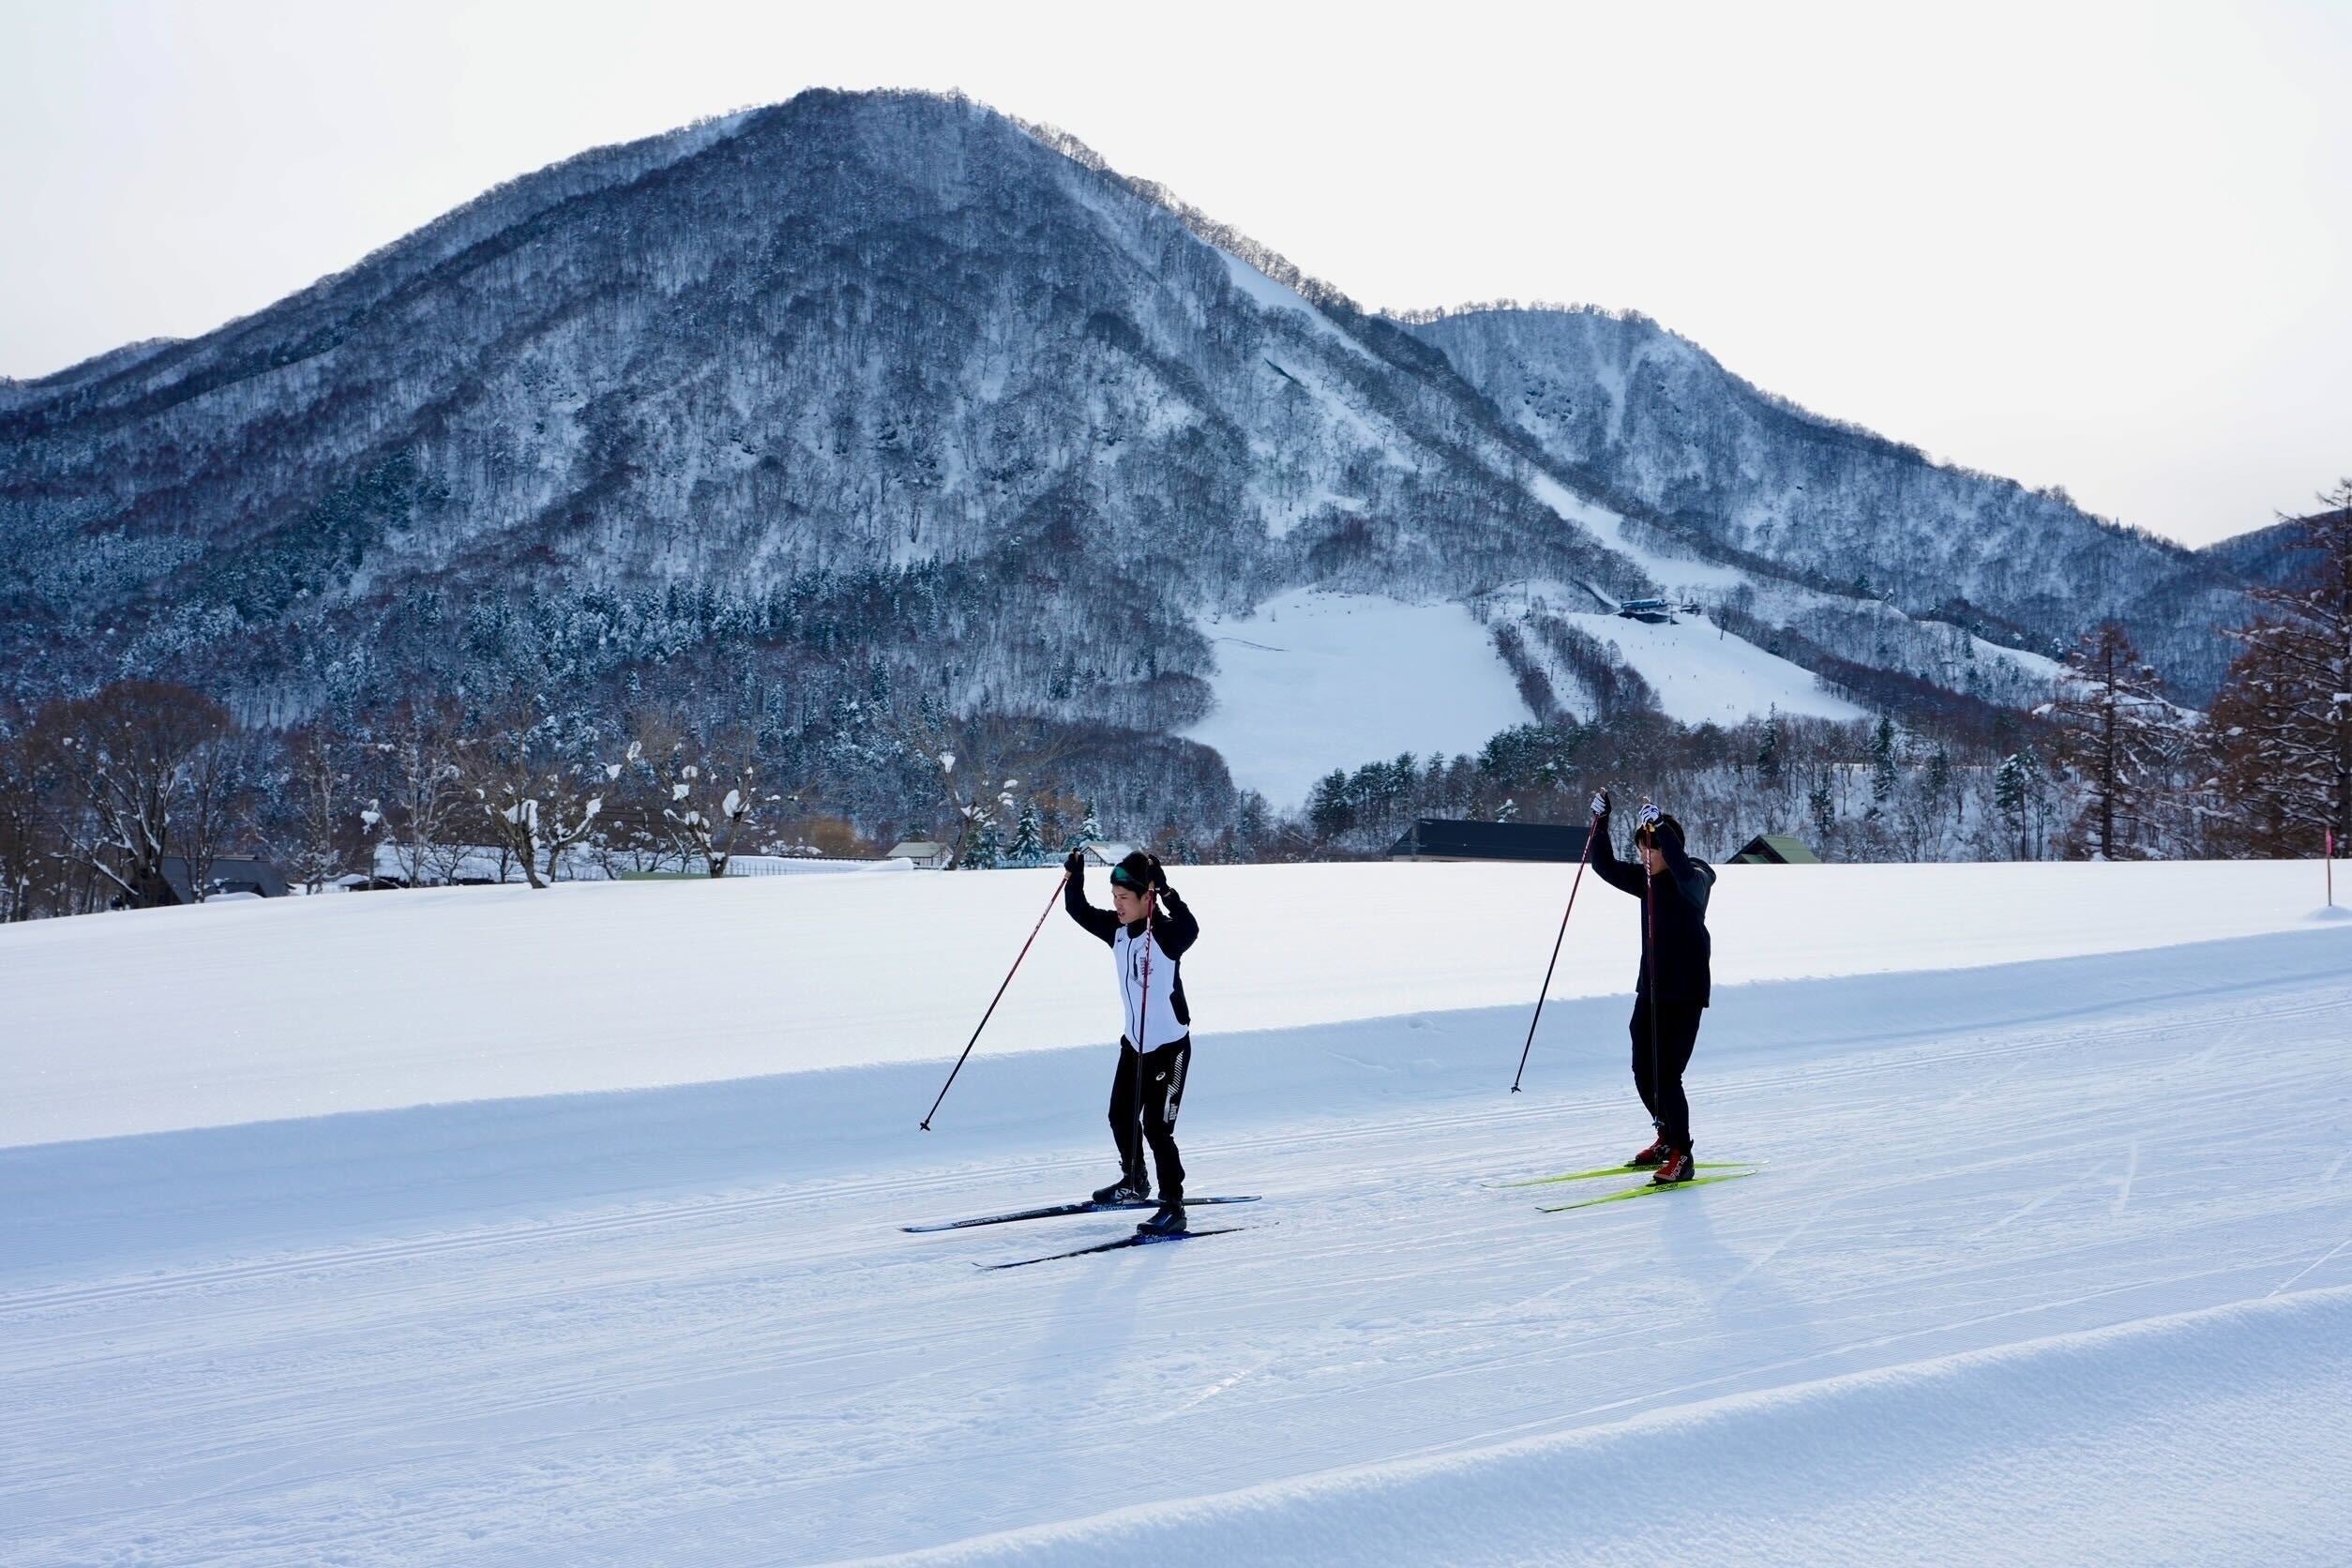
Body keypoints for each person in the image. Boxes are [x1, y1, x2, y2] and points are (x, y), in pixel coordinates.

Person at [1063, 846, 1200, 1234]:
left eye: (1124, 897)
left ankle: (1173, 1207)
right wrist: (1075, 876)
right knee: (1120, 1117)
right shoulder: (1118, 931)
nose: (1117, 904)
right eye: (1114, 897)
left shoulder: (1167, 935)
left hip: (1169, 1049)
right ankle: (1135, 1181)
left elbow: (1190, 927)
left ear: (1146, 898)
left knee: (1157, 1128)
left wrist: (1167, 891)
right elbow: (1077, 909)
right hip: (1134, 1046)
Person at [1587, 791, 1717, 1184]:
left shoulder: (1695, 878)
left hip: (1685, 992)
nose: (1645, 855)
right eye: (1642, 848)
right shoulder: (1647, 881)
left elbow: (1682, 868)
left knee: (1667, 1074)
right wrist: (1600, 824)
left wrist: (1660, 827)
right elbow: (1604, 866)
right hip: (1652, 990)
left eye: (1652, 848)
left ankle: (1682, 1155)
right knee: (1643, 1069)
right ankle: (1665, 1137)